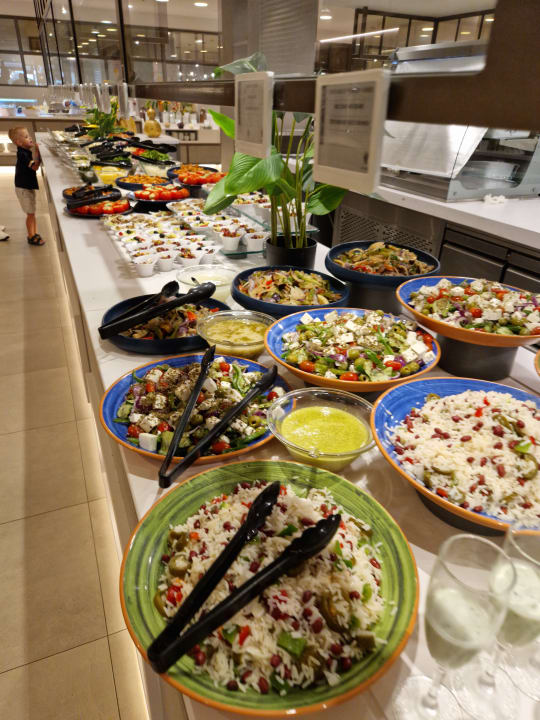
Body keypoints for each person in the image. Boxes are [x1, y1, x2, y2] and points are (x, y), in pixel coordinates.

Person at [8, 126, 44, 246]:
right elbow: (35, 167)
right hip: (23, 188)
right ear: (19, 142)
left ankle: (34, 234)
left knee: (32, 213)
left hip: (27, 186)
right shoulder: (22, 154)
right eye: (27, 137)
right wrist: (38, 151)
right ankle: (31, 236)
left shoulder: (25, 152)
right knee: (30, 214)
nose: (30, 138)